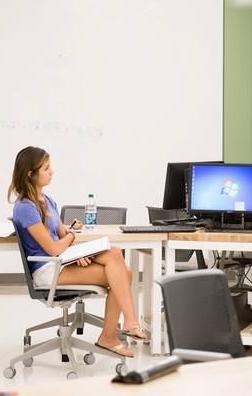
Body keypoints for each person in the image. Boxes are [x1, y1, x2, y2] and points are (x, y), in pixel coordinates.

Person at [8, 146, 147, 358]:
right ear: (31, 173)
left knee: (115, 253)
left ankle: (123, 326)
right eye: (46, 168)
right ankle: (117, 331)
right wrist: (71, 238)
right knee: (124, 274)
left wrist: (75, 250)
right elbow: (54, 247)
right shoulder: (25, 208)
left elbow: (62, 232)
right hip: (48, 269)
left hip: (62, 260)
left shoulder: (47, 200)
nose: (51, 172)